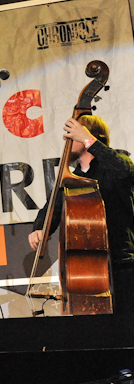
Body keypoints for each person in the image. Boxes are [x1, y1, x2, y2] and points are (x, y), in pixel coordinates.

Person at [28, 115, 134, 314]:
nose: (67, 139)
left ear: (89, 136)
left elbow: (124, 171)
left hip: (124, 264)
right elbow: (52, 207)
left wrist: (88, 139)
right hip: (90, 271)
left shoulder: (116, 163)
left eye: (72, 134)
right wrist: (39, 228)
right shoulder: (72, 178)